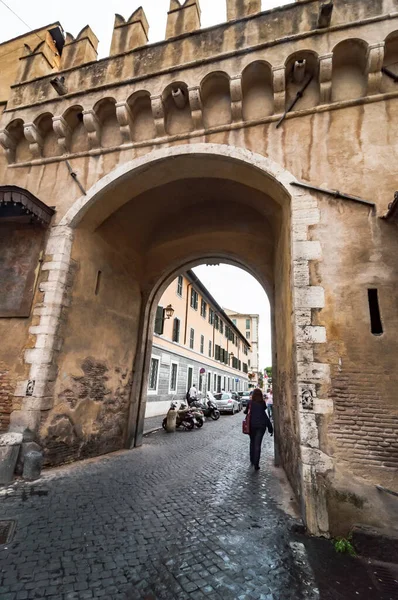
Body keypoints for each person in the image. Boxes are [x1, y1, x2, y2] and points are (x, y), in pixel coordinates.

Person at [244, 388, 273, 471]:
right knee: (258, 444)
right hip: (261, 425)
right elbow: (264, 413)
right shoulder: (262, 403)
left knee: (252, 442)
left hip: (251, 425)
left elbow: (246, 412)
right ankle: (256, 463)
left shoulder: (250, 403)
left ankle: (252, 460)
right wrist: (270, 427)